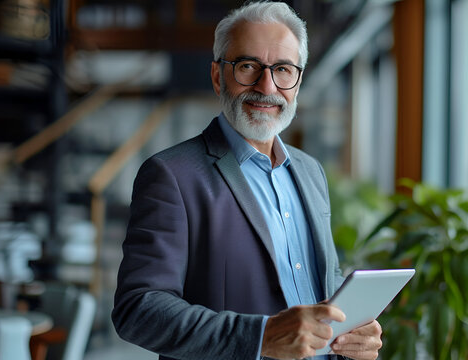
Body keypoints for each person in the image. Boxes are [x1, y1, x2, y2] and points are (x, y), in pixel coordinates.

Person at [111, 2, 383, 359]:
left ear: (298, 80)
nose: (266, 86)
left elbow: (322, 287)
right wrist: (260, 336)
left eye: (283, 69)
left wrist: (352, 334)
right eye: (248, 66)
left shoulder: (310, 171)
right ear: (217, 75)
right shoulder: (171, 175)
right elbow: (138, 309)